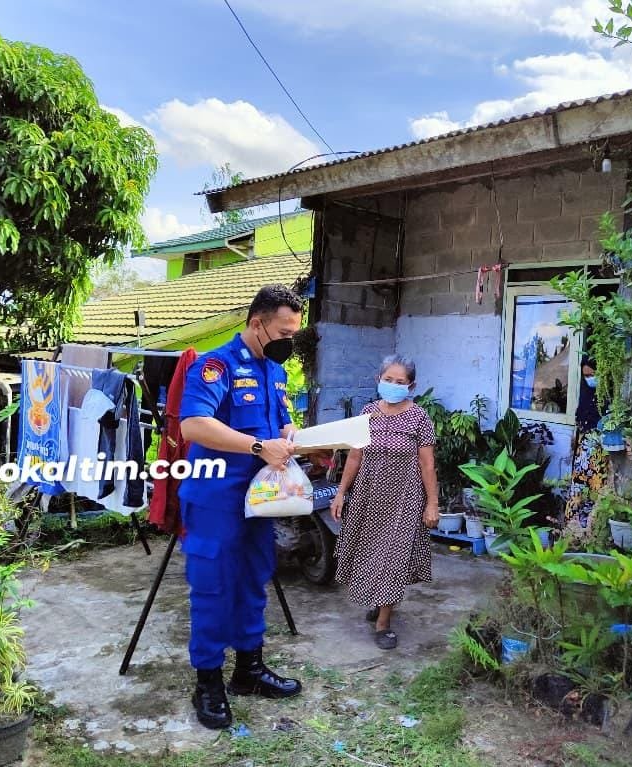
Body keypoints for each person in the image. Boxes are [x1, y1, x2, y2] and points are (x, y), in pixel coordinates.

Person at [178, 284, 305, 730]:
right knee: (213, 588)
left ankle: (248, 671)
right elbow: (193, 424)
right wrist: (257, 446)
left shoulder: (274, 369)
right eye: (285, 330)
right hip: (215, 497)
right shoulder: (217, 364)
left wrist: (291, 435)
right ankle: (207, 681)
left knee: (254, 580)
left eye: (296, 331)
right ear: (257, 323)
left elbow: (281, 419)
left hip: (260, 498)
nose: (291, 339)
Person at [329, 354, 439, 650]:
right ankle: (380, 602)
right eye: (388, 379)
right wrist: (340, 492)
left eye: (400, 382)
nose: (393, 385)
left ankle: (383, 623)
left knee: (393, 557)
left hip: (405, 498)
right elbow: (354, 456)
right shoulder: (367, 413)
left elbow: (427, 464)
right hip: (368, 496)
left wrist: (432, 503)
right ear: (379, 380)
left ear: (411, 385)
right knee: (369, 553)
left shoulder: (419, 418)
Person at [563, 356, 610, 529]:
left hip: (598, 454)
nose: (590, 379)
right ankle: (573, 531)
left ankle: (592, 530)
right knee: (578, 490)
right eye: (586, 376)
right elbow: (580, 419)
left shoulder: (607, 398)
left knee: (596, 492)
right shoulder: (585, 395)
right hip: (582, 454)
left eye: (593, 375)